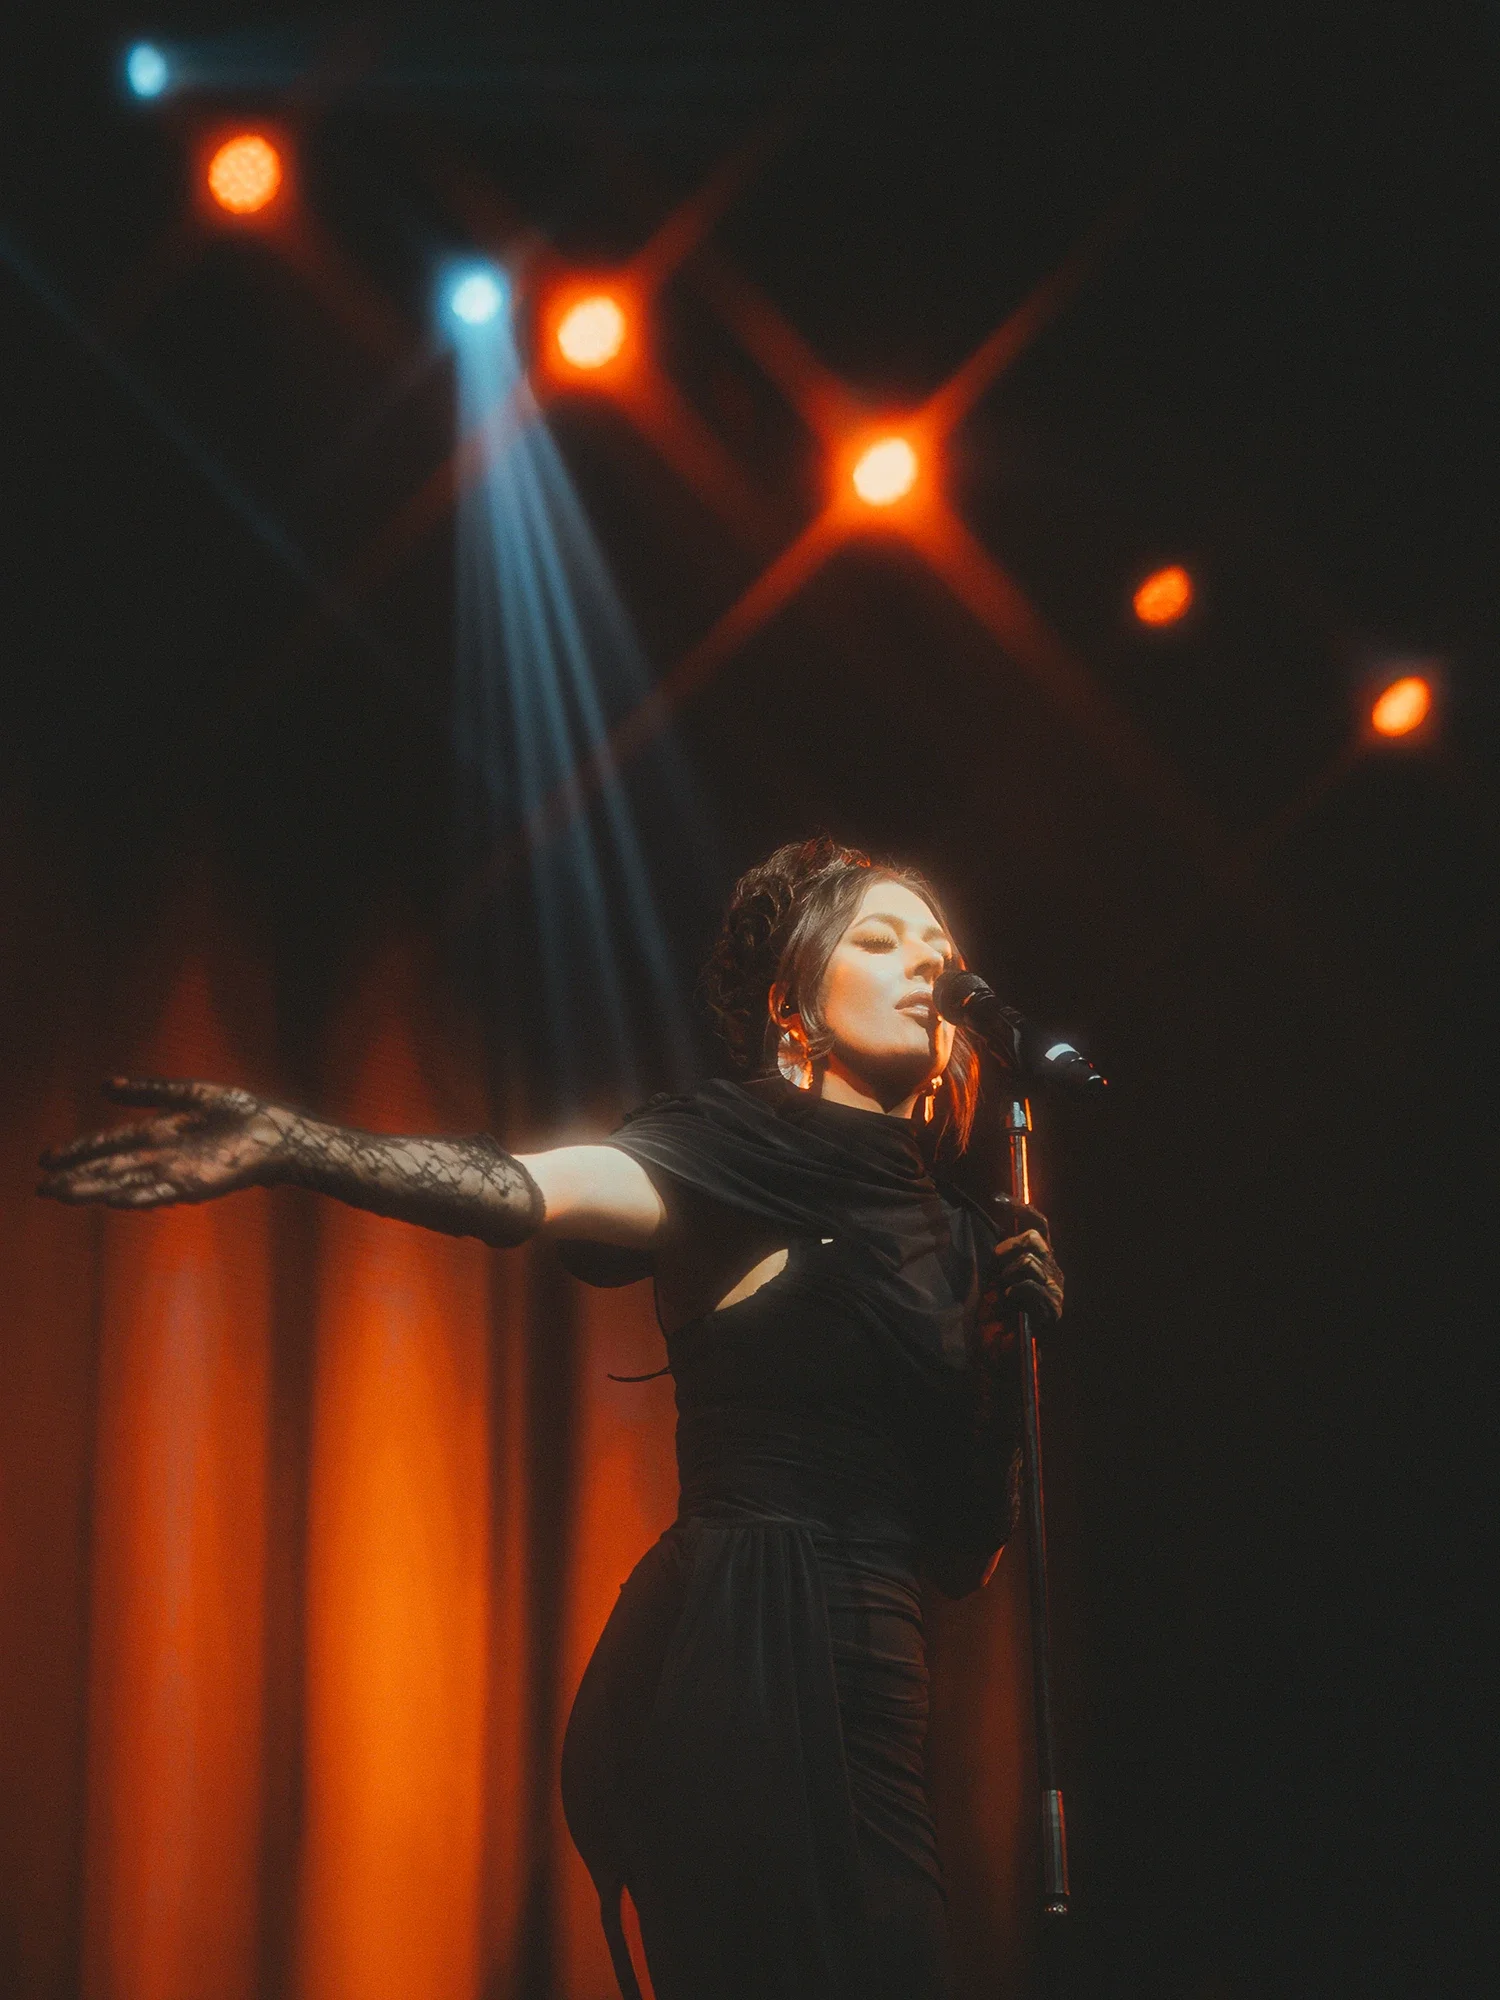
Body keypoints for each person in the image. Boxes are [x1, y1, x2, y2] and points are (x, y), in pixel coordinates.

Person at [39, 836, 1063, 2000]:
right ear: (793, 1005)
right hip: (747, 1639)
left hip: (883, 1687)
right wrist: (295, 1145)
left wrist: (1001, 1369)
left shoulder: (974, 1239)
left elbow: (964, 1557)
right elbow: (527, 1187)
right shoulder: (735, 1144)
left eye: (938, 946)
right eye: (879, 940)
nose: (924, 962)